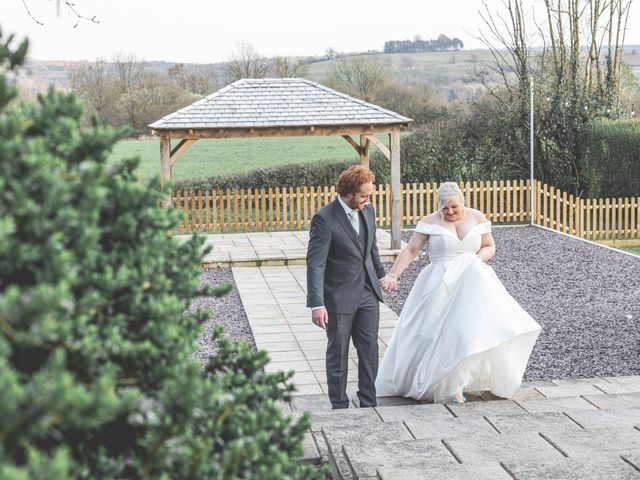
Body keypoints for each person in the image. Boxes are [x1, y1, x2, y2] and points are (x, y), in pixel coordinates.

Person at [375, 182, 542, 403]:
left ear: (462, 201)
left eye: (454, 207)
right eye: (445, 209)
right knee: (436, 333)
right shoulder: (429, 222)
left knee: (470, 331)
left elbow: (489, 246)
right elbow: (412, 249)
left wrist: (475, 260)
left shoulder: (478, 217)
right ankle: (442, 383)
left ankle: (459, 382)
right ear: (438, 207)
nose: (451, 212)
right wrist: (393, 275)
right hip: (439, 284)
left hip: (472, 281)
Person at [306, 165, 386, 409]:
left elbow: (371, 248)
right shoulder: (324, 218)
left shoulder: (368, 210)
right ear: (349, 192)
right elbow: (316, 264)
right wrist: (317, 304)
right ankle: (339, 405)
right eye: (363, 196)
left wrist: (382, 277)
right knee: (338, 353)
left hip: (368, 294)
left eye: (369, 195)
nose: (367, 200)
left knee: (370, 350)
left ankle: (368, 402)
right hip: (338, 298)